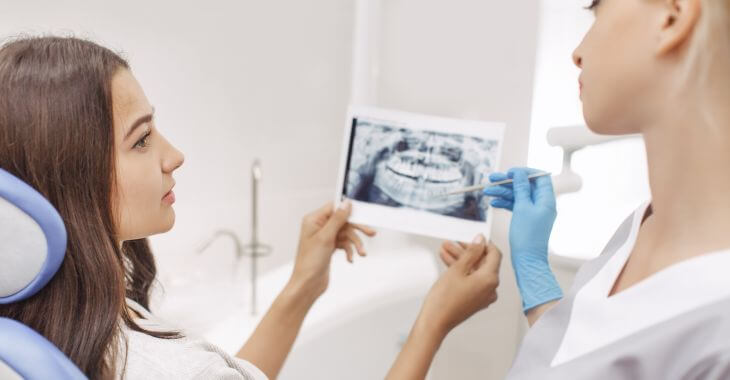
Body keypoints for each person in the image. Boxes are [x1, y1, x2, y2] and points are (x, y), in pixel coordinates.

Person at [0, 35, 503, 380]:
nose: (174, 156)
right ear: (71, 176)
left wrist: (305, 284)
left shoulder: (55, 326)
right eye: (142, 140)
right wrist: (434, 320)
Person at [389, 0, 730, 378]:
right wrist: (534, 277)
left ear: (672, 17)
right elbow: (585, 359)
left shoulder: (718, 338)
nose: (577, 53)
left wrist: (430, 324)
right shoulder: (642, 223)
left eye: (597, 8)